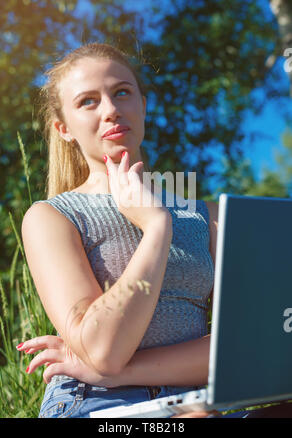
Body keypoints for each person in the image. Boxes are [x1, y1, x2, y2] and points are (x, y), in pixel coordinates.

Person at [18, 42, 221, 419]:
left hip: (194, 402)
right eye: (88, 101)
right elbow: (103, 350)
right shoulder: (52, 217)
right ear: (64, 128)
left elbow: (242, 345)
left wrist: (123, 371)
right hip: (94, 402)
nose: (111, 110)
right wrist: (156, 226)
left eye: (122, 93)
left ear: (142, 105)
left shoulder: (205, 215)